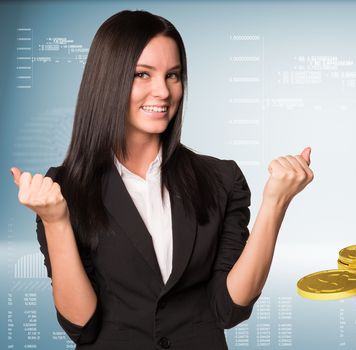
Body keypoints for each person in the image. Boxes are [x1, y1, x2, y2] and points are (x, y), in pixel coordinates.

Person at [10, 10, 313, 350]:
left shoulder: (220, 179)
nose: (163, 91)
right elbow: (82, 325)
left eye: (173, 75)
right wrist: (55, 221)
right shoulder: (64, 189)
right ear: (108, 80)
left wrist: (276, 203)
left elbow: (228, 309)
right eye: (143, 74)